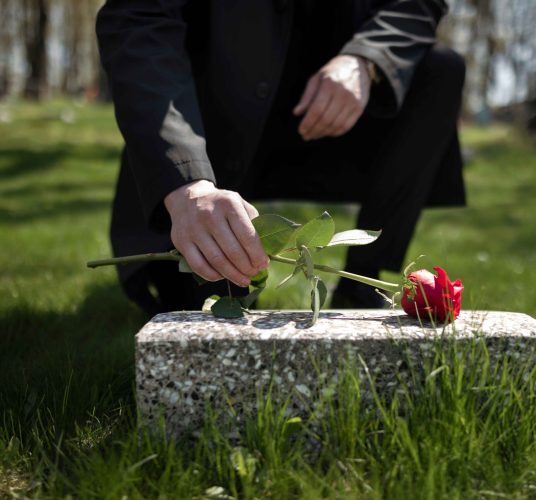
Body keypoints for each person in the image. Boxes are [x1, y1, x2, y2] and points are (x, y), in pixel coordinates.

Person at [96, 0, 466, 315]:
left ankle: (362, 286)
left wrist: (366, 58)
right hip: (210, 135)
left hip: (329, 123)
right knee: (208, 301)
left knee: (439, 68)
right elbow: (138, 21)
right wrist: (185, 181)